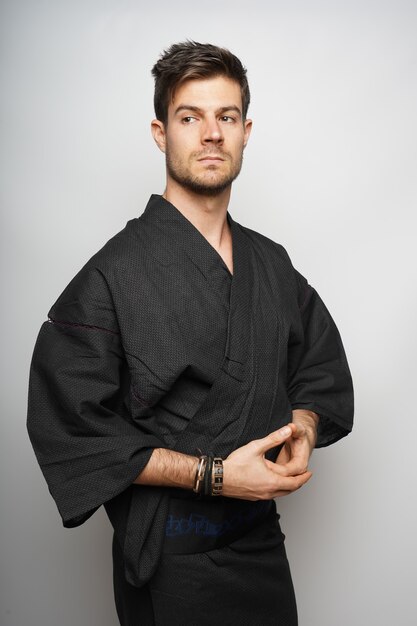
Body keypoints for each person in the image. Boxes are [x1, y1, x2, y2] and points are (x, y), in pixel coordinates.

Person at [27, 41, 354, 625]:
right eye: (189, 117)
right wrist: (217, 476)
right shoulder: (113, 273)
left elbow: (319, 367)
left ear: (246, 131)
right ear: (160, 133)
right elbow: (74, 428)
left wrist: (304, 426)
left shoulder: (270, 264)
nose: (211, 134)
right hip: (173, 561)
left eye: (225, 117)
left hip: (262, 551)